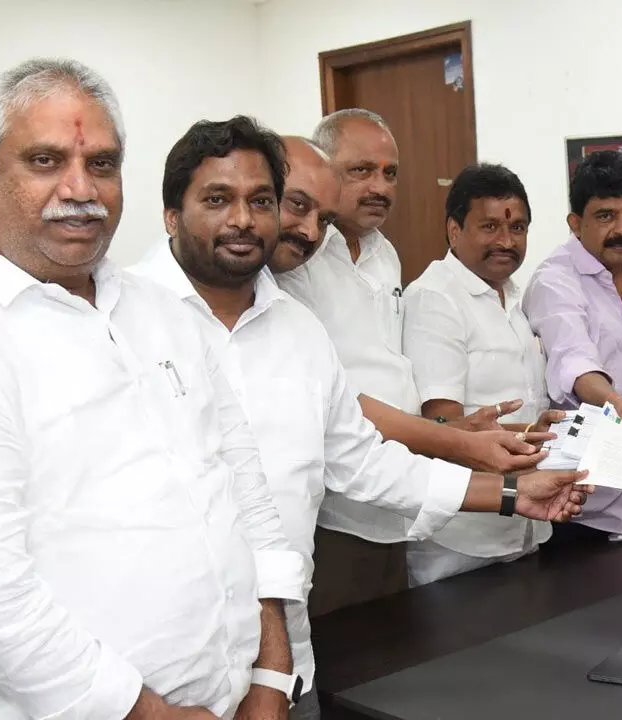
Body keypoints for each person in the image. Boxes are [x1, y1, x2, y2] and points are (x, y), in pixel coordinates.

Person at [132, 119, 589, 718]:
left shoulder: (294, 328)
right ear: (171, 212)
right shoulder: (117, 321)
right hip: (154, 673)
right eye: (219, 199)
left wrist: (512, 493)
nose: (249, 220)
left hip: (283, 658)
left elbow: (363, 462)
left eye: (264, 202)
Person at [0, 58, 304, 719]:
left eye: (104, 165)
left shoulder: (165, 311)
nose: (80, 189)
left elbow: (247, 499)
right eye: (46, 161)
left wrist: (270, 676)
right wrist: (151, 714)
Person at [274, 113, 533, 613]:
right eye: (361, 171)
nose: (379, 186)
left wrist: (450, 426)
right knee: (351, 657)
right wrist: (452, 439)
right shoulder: (298, 256)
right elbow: (337, 402)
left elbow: (388, 373)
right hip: (337, 507)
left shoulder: (382, 252)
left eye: (389, 173)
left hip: (398, 499)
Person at [402, 163, 562, 584]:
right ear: (454, 231)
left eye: (519, 228)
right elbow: (441, 422)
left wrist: (535, 427)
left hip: (523, 523)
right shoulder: (436, 299)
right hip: (462, 540)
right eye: (489, 226)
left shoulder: (512, 295)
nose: (507, 241)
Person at [523, 150, 622, 540]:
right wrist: (613, 401)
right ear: (576, 223)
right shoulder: (554, 280)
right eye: (605, 216)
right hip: (576, 505)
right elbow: (574, 359)